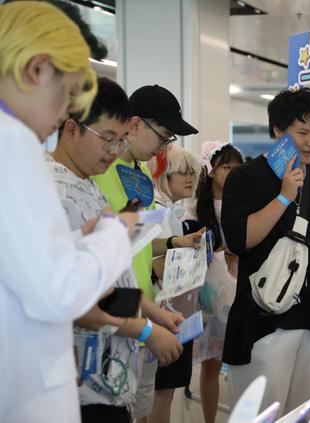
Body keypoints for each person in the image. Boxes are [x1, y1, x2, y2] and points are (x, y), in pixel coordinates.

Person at [0, 3, 138, 423]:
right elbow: (60, 293)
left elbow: (24, 264)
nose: (64, 115)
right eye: (66, 94)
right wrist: (114, 235)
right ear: (37, 70)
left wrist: (81, 242)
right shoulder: (14, 147)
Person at [49, 77, 184, 423]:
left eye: (121, 141)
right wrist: (145, 330)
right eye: (107, 140)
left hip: (106, 378)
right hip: (75, 384)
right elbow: (73, 298)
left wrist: (151, 311)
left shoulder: (88, 185)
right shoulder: (54, 195)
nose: (114, 150)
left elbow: (107, 280)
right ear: (71, 129)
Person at [221, 87, 310, 415]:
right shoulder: (245, 179)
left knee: (307, 412)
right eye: (302, 132)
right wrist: (283, 196)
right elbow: (240, 241)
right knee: (261, 413)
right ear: (278, 131)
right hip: (264, 322)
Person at [92, 84, 201, 422]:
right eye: (163, 136)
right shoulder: (99, 172)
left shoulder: (141, 177)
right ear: (135, 125)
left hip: (140, 305)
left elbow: (137, 240)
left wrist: (173, 243)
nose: (162, 149)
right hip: (107, 319)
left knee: (140, 409)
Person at [146, 145, 202, 423]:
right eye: (182, 172)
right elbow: (154, 266)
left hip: (169, 311)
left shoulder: (173, 212)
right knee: (160, 395)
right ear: (163, 176)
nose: (190, 178)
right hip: (161, 313)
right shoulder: (160, 212)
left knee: (158, 394)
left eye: (193, 172)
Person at [193, 141, 244, 423]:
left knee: (239, 361)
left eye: (238, 167)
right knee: (211, 364)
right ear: (211, 171)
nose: (233, 172)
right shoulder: (197, 208)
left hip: (241, 288)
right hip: (211, 292)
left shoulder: (244, 205)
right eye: (227, 167)